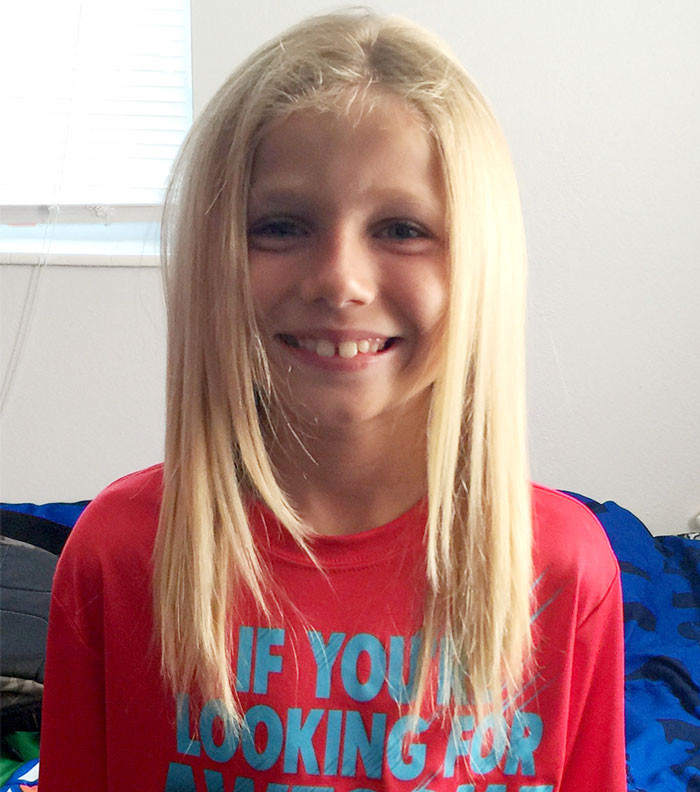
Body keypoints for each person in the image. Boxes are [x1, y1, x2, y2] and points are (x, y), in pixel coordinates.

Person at [39, 11, 626, 791]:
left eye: (402, 229)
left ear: (479, 263)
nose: (340, 280)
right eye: (281, 226)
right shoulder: (117, 556)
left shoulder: (563, 568)